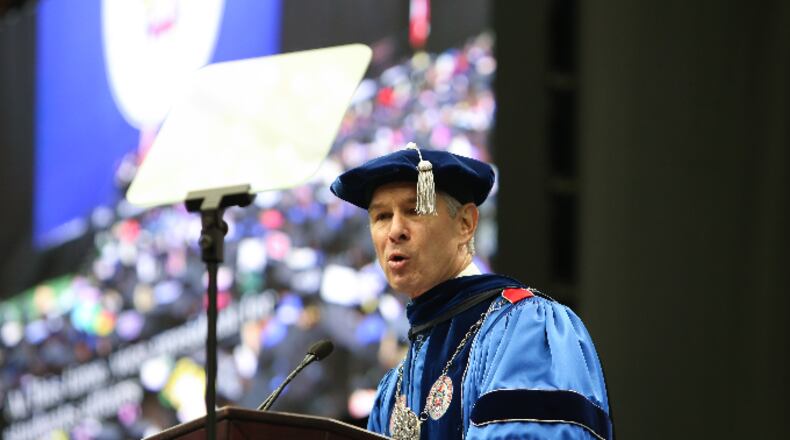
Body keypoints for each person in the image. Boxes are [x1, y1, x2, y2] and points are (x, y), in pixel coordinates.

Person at [331, 144, 613, 440]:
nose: (395, 230)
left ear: (466, 224)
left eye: (414, 210)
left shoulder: (525, 326)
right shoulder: (393, 388)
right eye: (382, 216)